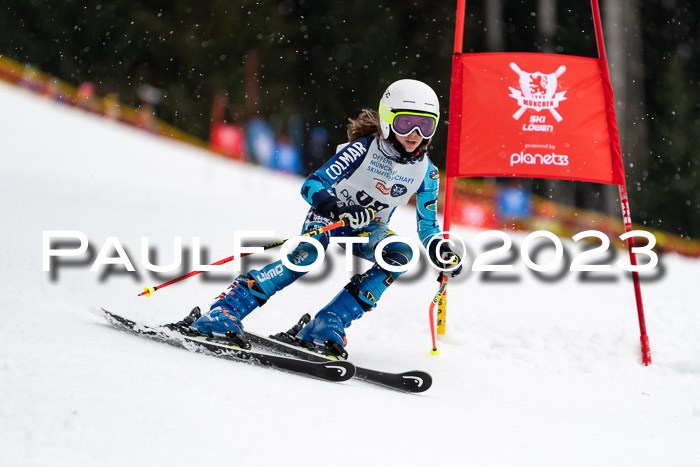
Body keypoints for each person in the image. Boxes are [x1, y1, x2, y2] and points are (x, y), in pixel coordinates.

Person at [189, 79, 463, 357]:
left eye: (425, 125)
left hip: (368, 229)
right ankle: (227, 309)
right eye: (406, 123)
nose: (415, 133)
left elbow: (428, 227)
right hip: (330, 217)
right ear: (388, 119)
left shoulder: (426, 173)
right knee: (308, 253)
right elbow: (312, 185)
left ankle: (327, 323)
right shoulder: (363, 149)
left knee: (401, 254)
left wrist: (439, 249)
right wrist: (337, 208)